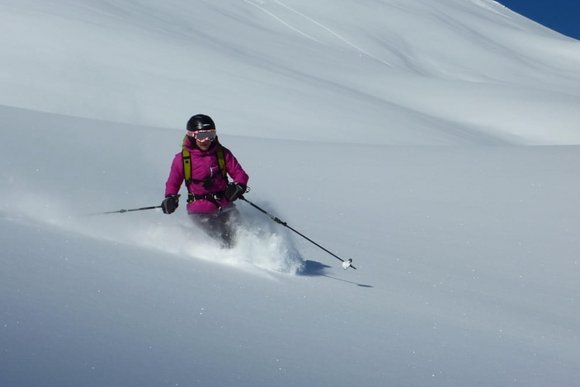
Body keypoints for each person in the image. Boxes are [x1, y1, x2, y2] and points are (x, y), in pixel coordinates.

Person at [161, 114, 249, 248]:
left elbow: (240, 174)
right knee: (225, 241)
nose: (206, 140)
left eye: (211, 135)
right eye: (202, 136)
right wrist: (170, 198)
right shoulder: (182, 159)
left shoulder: (222, 154)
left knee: (243, 235)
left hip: (225, 206)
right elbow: (173, 183)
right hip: (200, 211)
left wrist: (239, 186)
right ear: (191, 136)